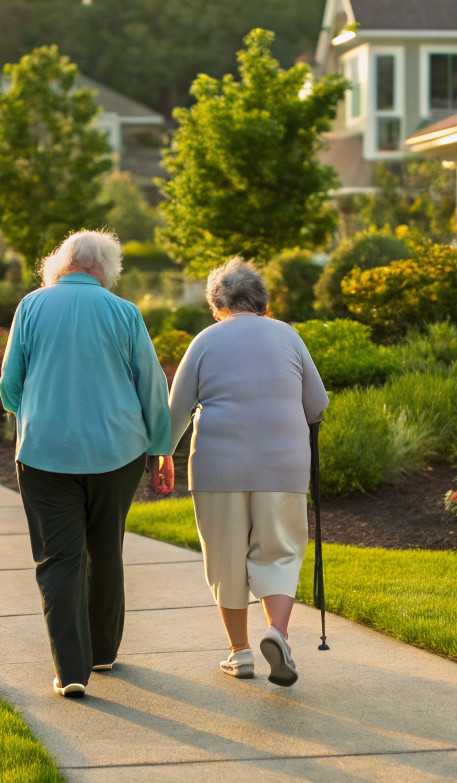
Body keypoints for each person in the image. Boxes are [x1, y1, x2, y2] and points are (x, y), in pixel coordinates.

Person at [0, 230, 173, 698]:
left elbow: (9, 386)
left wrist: (35, 411)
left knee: (59, 560)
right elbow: (152, 387)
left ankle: (72, 671)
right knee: (105, 548)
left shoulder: (32, 306)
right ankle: (102, 651)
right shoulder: (125, 313)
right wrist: (163, 449)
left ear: (60, 264)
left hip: (45, 453)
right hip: (117, 454)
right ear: (105, 269)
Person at [167, 257, 328, 686]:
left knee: (225, 557)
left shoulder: (205, 340)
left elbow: (177, 409)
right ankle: (277, 633)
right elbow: (317, 404)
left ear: (216, 305)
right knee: (279, 551)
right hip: (283, 463)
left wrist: (161, 455)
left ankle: (239, 653)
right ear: (262, 303)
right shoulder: (287, 336)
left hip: (218, 466)